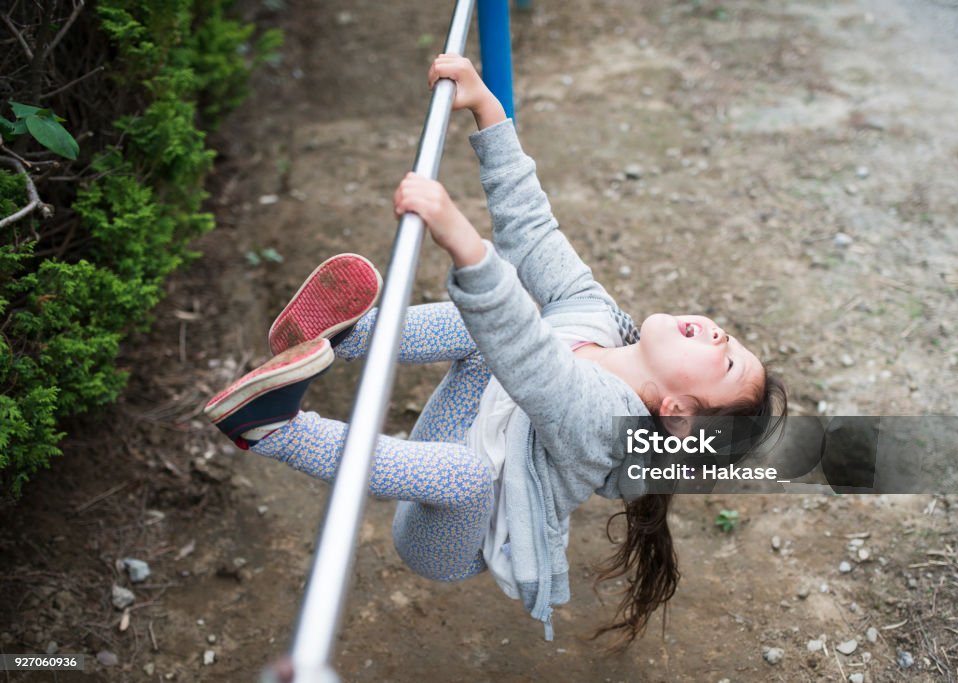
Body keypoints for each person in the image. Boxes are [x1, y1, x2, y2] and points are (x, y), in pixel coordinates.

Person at [204, 54, 787, 645]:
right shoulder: (598, 318)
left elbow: (531, 359)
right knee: (486, 328)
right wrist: (488, 111)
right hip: (461, 428)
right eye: (731, 337)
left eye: (729, 359)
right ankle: (345, 334)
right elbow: (534, 232)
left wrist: (462, 239)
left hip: (454, 534)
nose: (720, 333)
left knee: (469, 462)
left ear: (679, 410)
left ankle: (272, 429)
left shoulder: (604, 426)